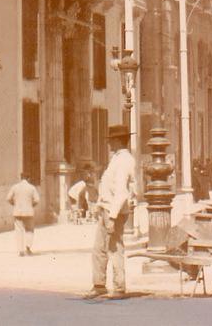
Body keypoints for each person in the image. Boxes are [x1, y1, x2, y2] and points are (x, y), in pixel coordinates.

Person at [87, 125, 136, 299]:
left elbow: (121, 191)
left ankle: (119, 287)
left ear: (117, 141)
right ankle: (99, 284)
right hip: (106, 208)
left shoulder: (123, 160)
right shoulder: (117, 158)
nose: (108, 144)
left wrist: (113, 217)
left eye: (111, 141)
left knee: (114, 248)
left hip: (113, 211)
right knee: (99, 248)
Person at [6, 173, 40, 256]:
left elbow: (8, 198)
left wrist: (14, 204)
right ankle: (28, 248)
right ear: (28, 178)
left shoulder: (15, 187)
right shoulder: (32, 188)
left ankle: (20, 250)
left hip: (17, 212)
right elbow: (37, 200)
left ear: (21, 178)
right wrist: (31, 205)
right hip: (29, 212)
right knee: (30, 230)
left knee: (19, 231)